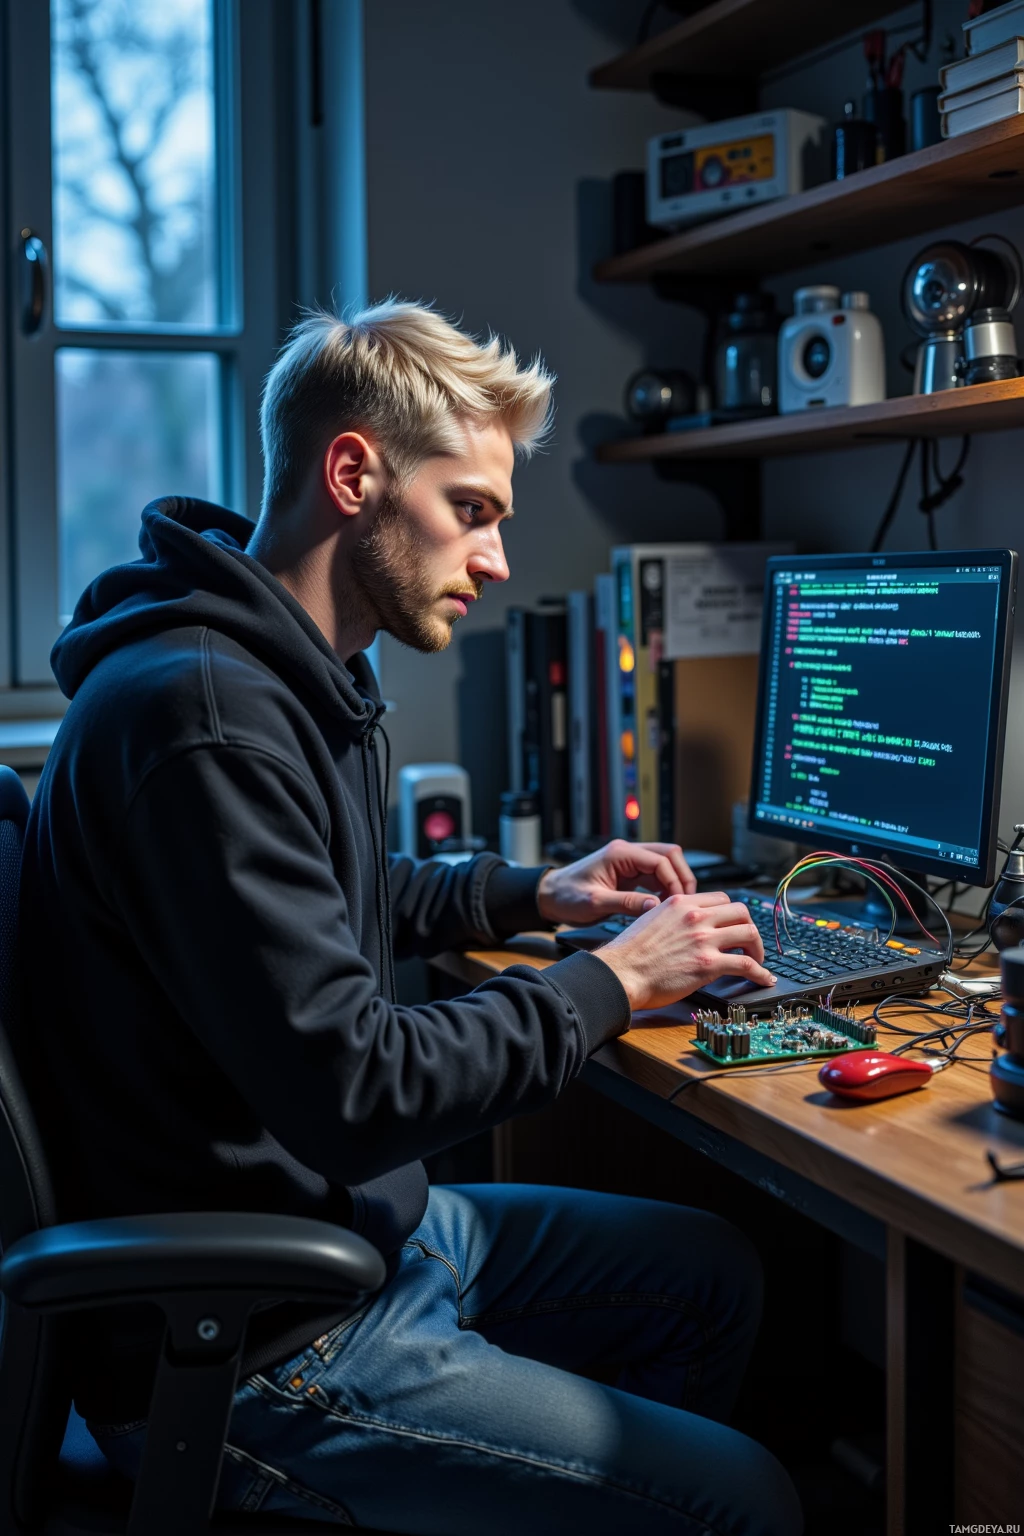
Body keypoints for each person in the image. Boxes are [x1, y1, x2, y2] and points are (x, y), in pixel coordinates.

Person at [18, 301, 800, 1534]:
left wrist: (531, 892)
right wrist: (612, 983)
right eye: (472, 511)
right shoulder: (202, 716)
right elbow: (358, 1087)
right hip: (259, 1340)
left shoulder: (286, 672)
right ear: (352, 474)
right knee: (748, 1502)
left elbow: (337, 896)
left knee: (708, 1276)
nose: (493, 559)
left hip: (346, 1232)